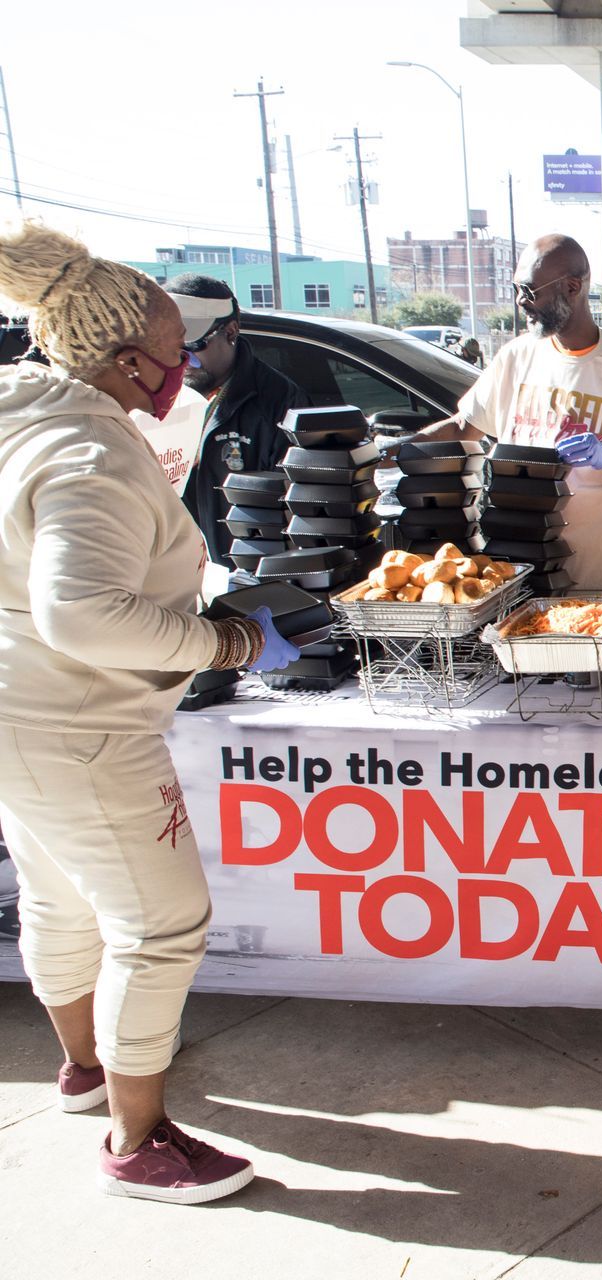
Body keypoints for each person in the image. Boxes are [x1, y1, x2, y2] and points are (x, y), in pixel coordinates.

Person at [0, 222, 300, 1204]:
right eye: (176, 350)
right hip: (83, 724)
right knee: (162, 921)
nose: (188, 366)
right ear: (127, 358)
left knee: (58, 895)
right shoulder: (87, 449)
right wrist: (223, 640)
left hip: (16, 709)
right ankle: (139, 1139)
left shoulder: (19, 413)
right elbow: (82, 609)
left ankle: (86, 1068)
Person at [403, 235, 602, 593]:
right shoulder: (516, 357)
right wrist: (400, 449)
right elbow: (466, 425)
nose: (519, 302)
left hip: (600, 577)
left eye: (529, 291)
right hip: (519, 568)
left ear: (572, 287)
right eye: (517, 289)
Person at [163, 275, 306, 567]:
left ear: (230, 331)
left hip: (246, 580)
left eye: (193, 344)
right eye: (168, 345)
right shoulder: (151, 395)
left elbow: (298, 509)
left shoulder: (278, 401)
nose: (181, 358)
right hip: (174, 579)